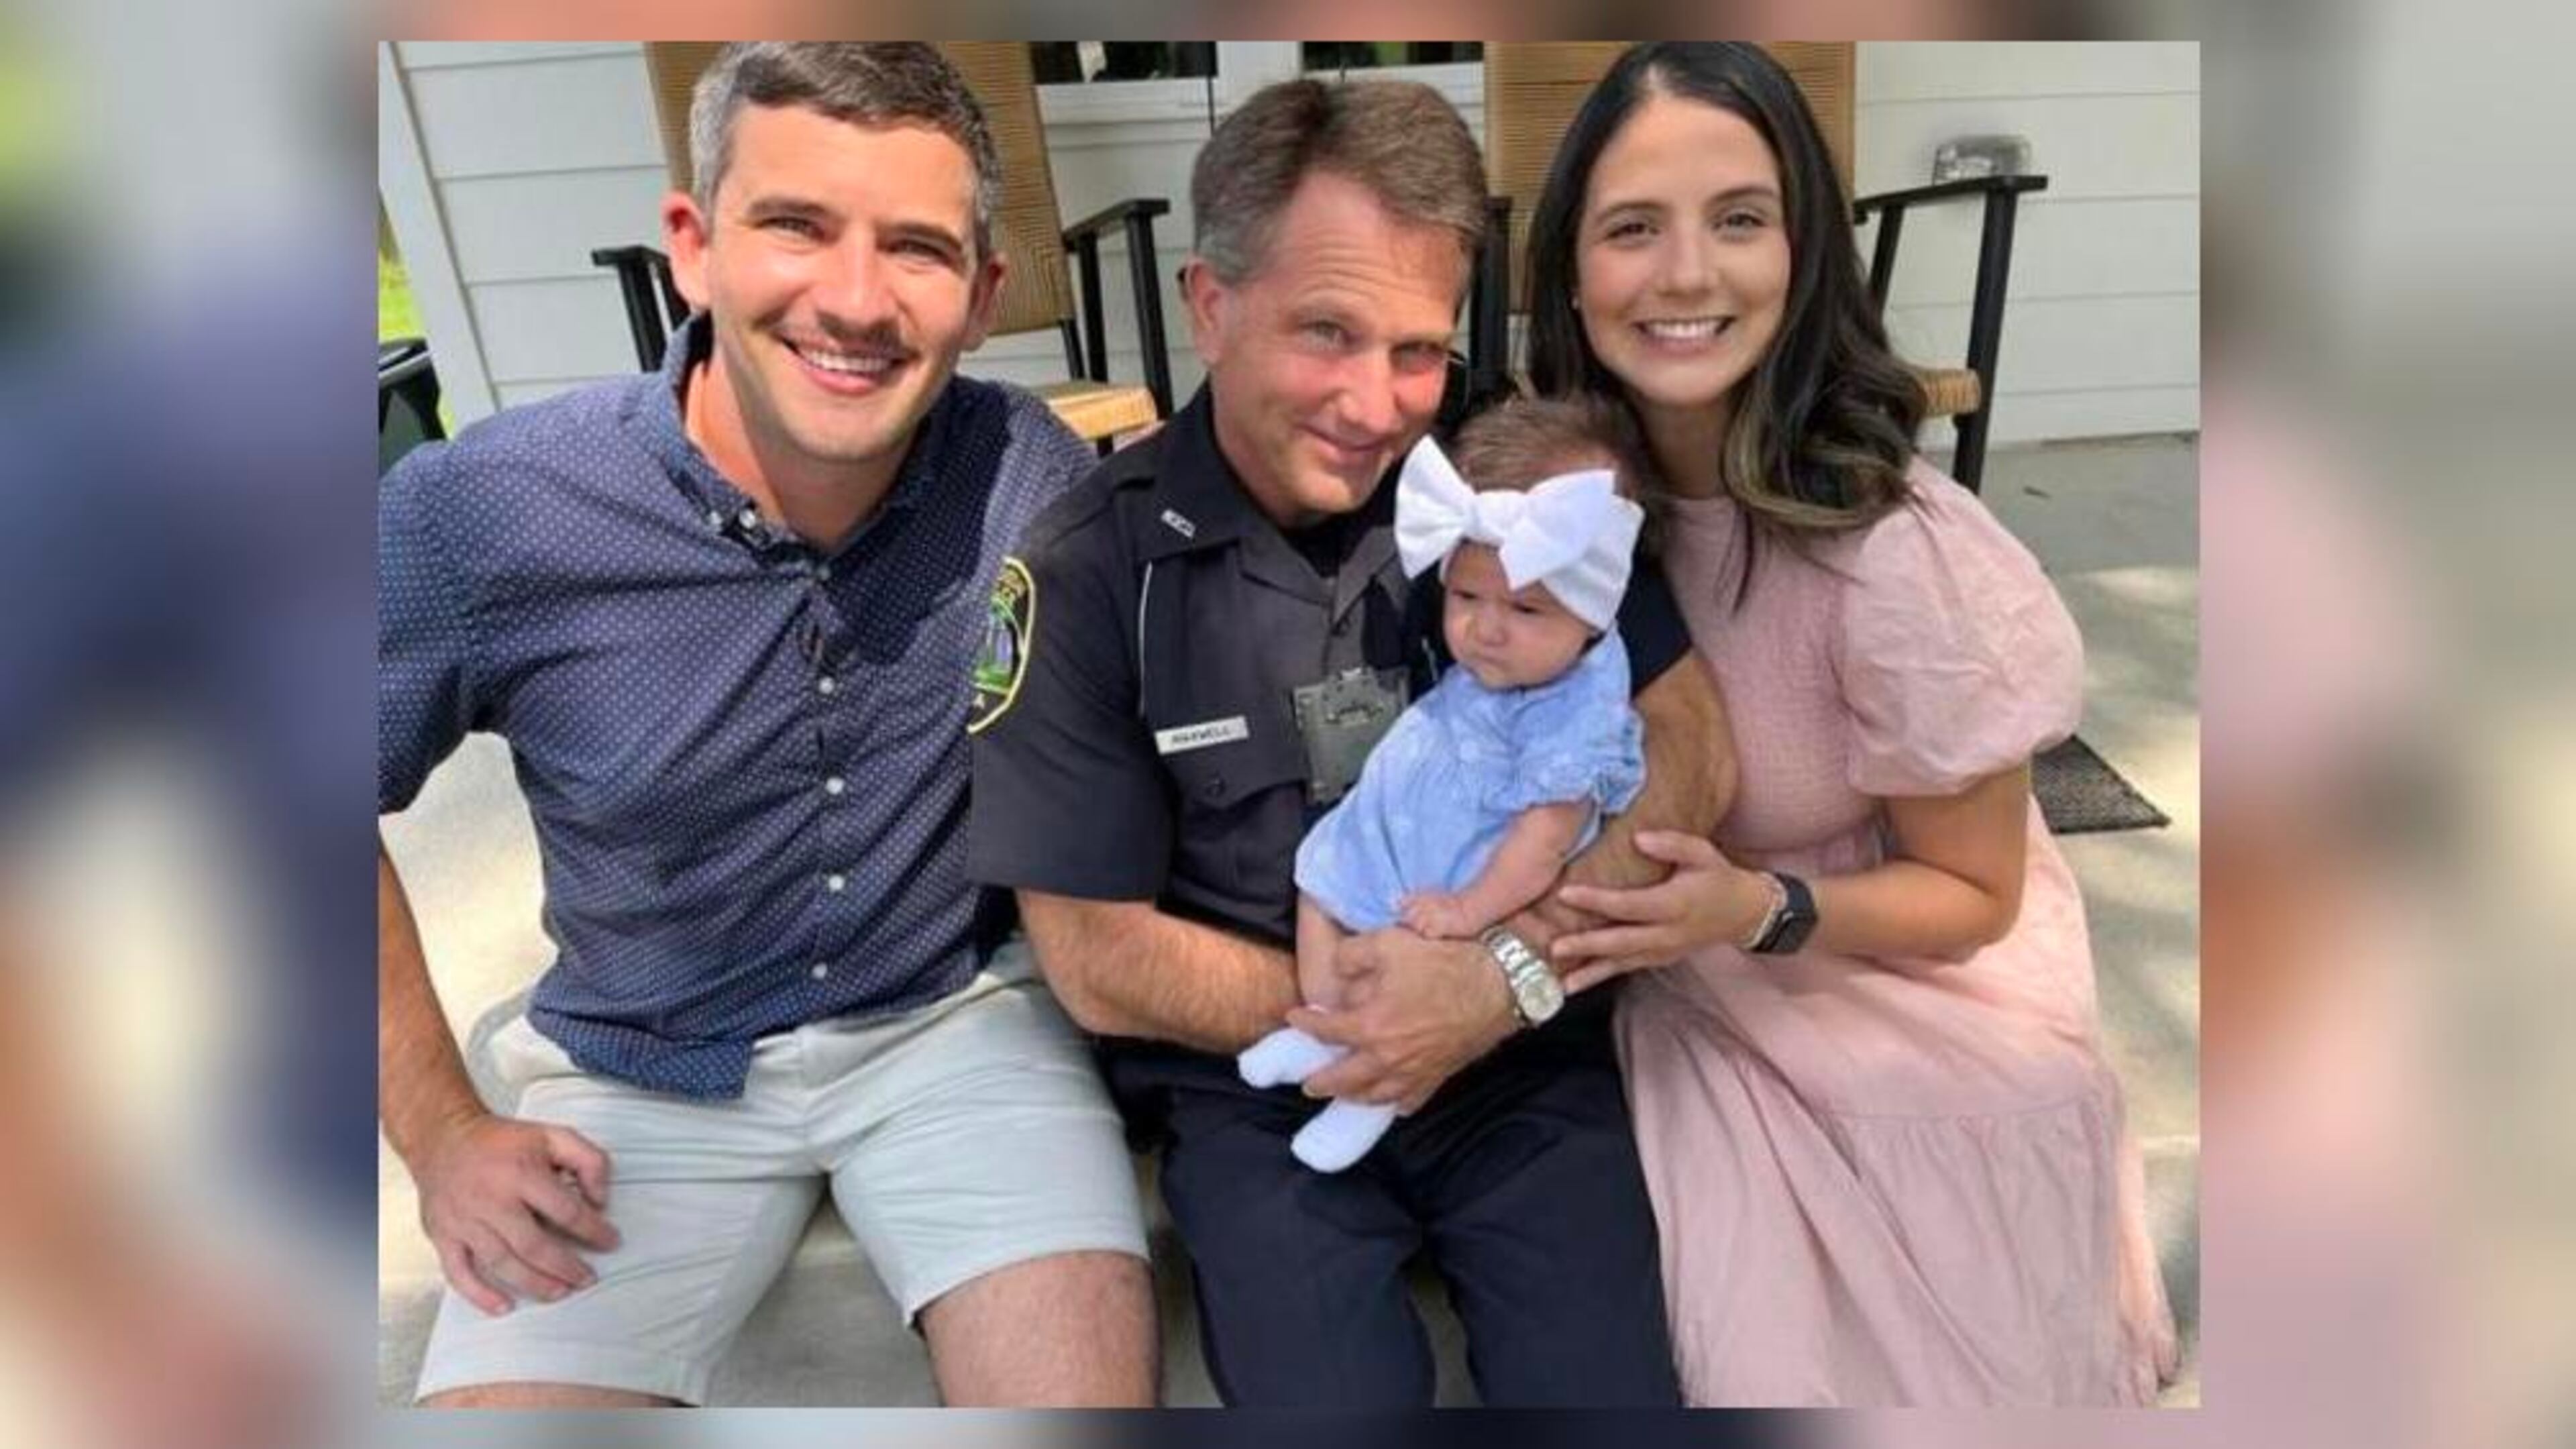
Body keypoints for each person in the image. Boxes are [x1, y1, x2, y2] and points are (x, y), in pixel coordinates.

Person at [377, 43, 1155, 1408]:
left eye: (915, 248)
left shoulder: (1024, 470)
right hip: (637, 1068)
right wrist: (442, 1133)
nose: (854, 301)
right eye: (797, 225)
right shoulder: (485, 515)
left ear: (980, 296)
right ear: (694, 245)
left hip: (955, 1027)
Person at [968, 77, 1732, 1408]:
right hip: (1258, 1093)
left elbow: (1694, 745)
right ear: (1210, 305)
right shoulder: (1092, 569)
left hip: (1524, 1065)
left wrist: (1500, 978)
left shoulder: (1511, 475)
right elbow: (1092, 959)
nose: (1379, 406)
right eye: (1327, 331)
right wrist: (1369, 1017)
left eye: (1417, 349)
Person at [1520, 42, 2182, 1404]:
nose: (1689, 273)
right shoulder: (1564, 506)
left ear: (1807, 250)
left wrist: (1756, 911)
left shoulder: (1896, 555)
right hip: (1681, 969)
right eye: (1633, 228)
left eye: (1740, 220)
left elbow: (1977, 896)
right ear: (1571, 277)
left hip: (1883, 977)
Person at [1241, 401, 1663, 1173]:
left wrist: (1469, 909)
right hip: (1397, 831)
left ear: (1593, 620)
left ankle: (1370, 1093)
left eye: (1526, 608)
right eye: (1465, 599)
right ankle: (1325, 1023)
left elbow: (1543, 844)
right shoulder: (1512, 664)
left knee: (1404, 968)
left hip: (1464, 871)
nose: (1485, 630)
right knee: (1321, 884)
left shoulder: (1580, 714)